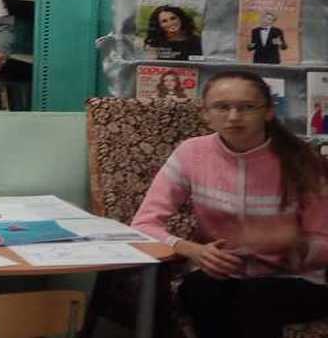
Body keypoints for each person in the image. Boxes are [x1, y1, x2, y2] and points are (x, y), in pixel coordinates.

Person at [131, 70, 328, 338]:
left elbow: (323, 242)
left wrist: (291, 243)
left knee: (254, 301)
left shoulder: (302, 160)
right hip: (222, 274)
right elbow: (143, 225)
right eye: (222, 107)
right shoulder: (191, 153)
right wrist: (194, 250)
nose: (234, 117)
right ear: (205, 113)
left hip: (294, 279)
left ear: (268, 112)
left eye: (247, 107)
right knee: (200, 291)